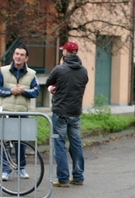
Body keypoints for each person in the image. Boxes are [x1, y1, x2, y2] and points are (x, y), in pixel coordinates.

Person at [45, 41, 88, 187]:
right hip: (75, 112)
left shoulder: (59, 69)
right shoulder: (83, 71)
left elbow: (49, 82)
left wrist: (53, 89)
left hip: (60, 112)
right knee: (76, 143)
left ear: (66, 53)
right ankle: (78, 177)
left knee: (59, 144)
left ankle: (63, 179)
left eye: (63, 51)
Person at [0, 44, 40, 181]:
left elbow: (36, 92)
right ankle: (5, 170)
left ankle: (20, 169)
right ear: (13, 55)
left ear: (26, 58)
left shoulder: (32, 74)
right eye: (17, 54)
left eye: (22, 55)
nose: (19, 57)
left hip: (22, 113)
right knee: (5, 142)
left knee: (21, 143)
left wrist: (23, 91)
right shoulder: (3, 71)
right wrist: (10, 91)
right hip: (5, 112)